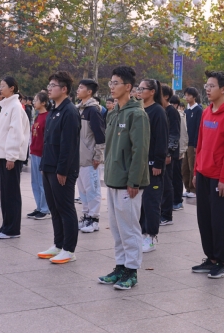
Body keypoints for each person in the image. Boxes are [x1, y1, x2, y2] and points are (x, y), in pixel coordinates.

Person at [98, 66, 149, 290]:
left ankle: (131, 271)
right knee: (117, 228)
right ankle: (120, 266)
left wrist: (134, 181)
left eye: (116, 83)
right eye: (111, 82)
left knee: (129, 229)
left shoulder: (137, 114)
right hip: (113, 179)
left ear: (128, 87)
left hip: (129, 183)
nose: (112, 86)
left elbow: (140, 150)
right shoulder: (113, 112)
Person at [189, 71, 224, 279]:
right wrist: (196, 170)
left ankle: (222, 262)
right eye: (206, 86)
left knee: (220, 220)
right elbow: (200, 143)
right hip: (203, 173)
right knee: (204, 218)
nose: (207, 90)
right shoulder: (206, 112)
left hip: (219, 177)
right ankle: (210, 258)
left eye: (212, 86)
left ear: (223, 89)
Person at [36, 71, 81, 263]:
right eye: (49, 85)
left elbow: (68, 145)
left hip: (61, 169)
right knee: (54, 207)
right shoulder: (54, 110)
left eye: (53, 85)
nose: (49, 89)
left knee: (65, 207)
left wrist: (62, 170)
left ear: (64, 89)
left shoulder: (69, 112)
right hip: (49, 166)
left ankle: (69, 249)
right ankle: (58, 244)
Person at [0, 77, 31, 239]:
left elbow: (16, 133)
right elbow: (0, 134)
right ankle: (5, 226)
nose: (0, 88)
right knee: (5, 194)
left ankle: (13, 229)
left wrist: (11, 157)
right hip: (4, 156)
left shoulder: (15, 107)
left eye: (3, 86)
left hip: (11, 158)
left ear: (12, 88)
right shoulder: (5, 106)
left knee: (11, 194)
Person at [137, 79, 168, 253]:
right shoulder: (140, 109)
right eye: (139, 88)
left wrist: (158, 162)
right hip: (140, 165)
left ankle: (151, 236)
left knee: (151, 202)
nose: (139, 91)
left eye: (143, 88)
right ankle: (142, 233)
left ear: (152, 91)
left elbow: (161, 139)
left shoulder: (158, 111)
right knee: (140, 203)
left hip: (152, 166)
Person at [77, 79, 106, 233]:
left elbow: (100, 135)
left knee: (92, 190)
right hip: (79, 158)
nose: (78, 90)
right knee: (82, 190)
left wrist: (98, 155)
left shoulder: (93, 110)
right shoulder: (79, 109)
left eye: (81, 87)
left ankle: (94, 219)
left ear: (89, 92)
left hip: (90, 158)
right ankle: (86, 215)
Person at [27, 91, 51, 221]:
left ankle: (45, 209)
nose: (33, 102)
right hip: (34, 152)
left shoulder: (47, 117)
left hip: (42, 154)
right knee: (35, 182)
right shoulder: (37, 116)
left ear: (44, 102)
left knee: (42, 183)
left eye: (36, 100)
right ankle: (39, 206)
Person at [161, 84, 182, 222]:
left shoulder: (171, 111)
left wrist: (169, 152)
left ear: (166, 96)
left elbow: (175, 134)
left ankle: (167, 215)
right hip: (161, 153)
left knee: (167, 183)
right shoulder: (161, 110)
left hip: (169, 154)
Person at [183, 87, 202, 198]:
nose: (187, 97)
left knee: (192, 167)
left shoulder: (198, 110)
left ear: (194, 97)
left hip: (192, 144)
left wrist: (196, 144)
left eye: (189, 95)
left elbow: (199, 128)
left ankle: (193, 189)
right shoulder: (186, 111)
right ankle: (187, 188)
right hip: (185, 143)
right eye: (185, 95)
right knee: (184, 167)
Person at [170, 94, 186, 210]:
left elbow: (183, 134)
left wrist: (181, 151)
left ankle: (178, 201)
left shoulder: (180, 115)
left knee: (177, 177)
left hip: (178, 151)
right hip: (170, 152)